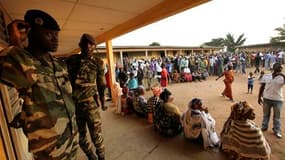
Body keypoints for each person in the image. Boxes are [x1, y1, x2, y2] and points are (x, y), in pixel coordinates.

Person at [0, 10, 79, 160]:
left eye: (56, 34)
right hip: (49, 148)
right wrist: (16, 42)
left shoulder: (58, 65)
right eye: (49, 34)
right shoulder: (24, 63)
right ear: (31, 33)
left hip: (71, 137)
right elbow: (6, 66)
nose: (55, 39)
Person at [70, 33, 106, 159]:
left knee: (96, 136)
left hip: (91, 105)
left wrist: (102, 100)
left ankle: (101, 157)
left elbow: (101, 83)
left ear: (94, 46)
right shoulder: (72, 60)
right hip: (74, 106)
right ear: (80, 45)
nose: (87, 46)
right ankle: (91, 156)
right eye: (85, 43)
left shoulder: (98, 62)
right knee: (80, 137)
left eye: (90, 43)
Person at [258, 62, 285, 139]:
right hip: (266, 98)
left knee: (277, 116)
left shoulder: (282, 77)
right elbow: (262, 87)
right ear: (273, 68)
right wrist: (259, 97)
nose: (280, 68)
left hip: (278, 100)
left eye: (280, 68)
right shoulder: (267, 76)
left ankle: (277, 130)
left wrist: (283, 75)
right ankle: (264, 127)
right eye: (278, 67)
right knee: (266, 114)